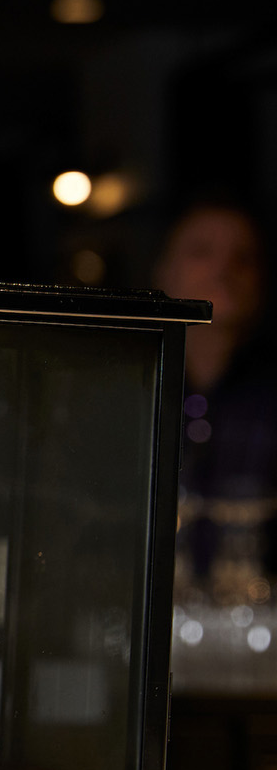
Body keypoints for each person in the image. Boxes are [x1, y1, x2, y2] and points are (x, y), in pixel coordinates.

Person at [155, 198, 277, 608]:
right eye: (201, 252)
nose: (224, 269)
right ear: (163, 268)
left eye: (243, 258)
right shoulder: (133, 390)